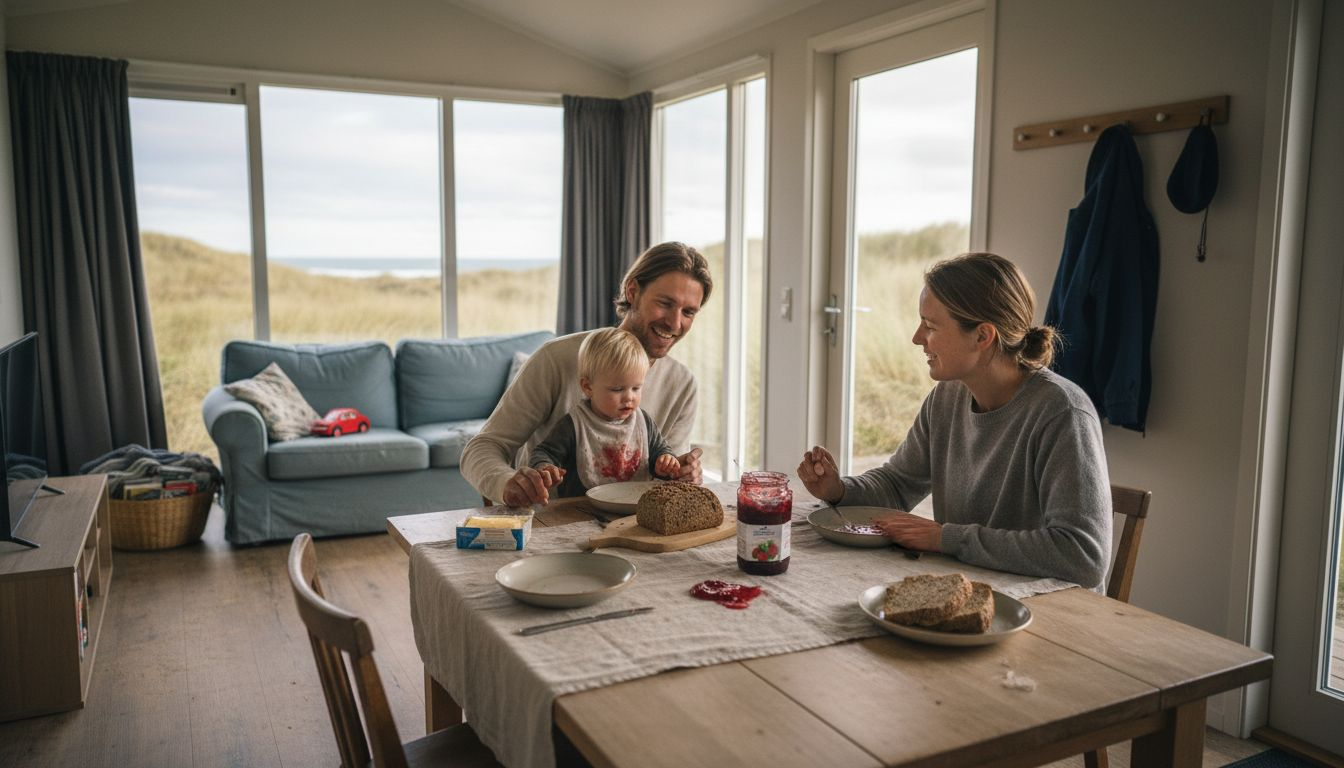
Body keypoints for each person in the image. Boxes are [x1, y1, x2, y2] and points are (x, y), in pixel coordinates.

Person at [797, 252, 1113, 588]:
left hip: (1053, 614)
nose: (918, 338)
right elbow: (898, 484)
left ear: (982, 336)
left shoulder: (1061, 412)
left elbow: (1083, 556)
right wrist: (840, 489)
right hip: (967, 591)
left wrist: (944, 538)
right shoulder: (947, 397)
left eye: (930, 326)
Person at [462, 242, 708, 506]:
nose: (674, 322)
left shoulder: (682, 385)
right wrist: (506, 483)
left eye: (688, 312)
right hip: (550, 526)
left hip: (637, 532)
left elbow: (667, 478)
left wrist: (683, 474)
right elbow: (481, 448)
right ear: (633, 291)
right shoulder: (556, 358)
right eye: (665, 303)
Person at [528, 328, 681, 498]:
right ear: (587, 387)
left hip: (635, 509)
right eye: (617, 389)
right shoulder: (574, 424)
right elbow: (544, 453)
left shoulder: (643, 421)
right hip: (580, 510)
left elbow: (659, 451)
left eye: (636, 388)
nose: (629, 397)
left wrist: (665, 461)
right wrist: (545, 467)